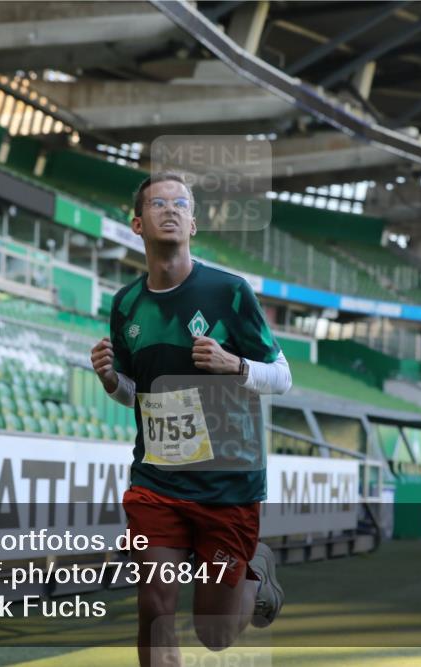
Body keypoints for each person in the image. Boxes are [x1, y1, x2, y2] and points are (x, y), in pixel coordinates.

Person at [90, 172, 293, 666]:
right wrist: (113, 382)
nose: (171, 209)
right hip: (157, 479)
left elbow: (283, 376)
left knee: (215, 634)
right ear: (138, 224)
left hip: (228, 482)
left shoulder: (230, 292)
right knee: (154, 606)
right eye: (159, 203)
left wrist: (235, 365)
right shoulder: (126, 306)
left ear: (193, 224)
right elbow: (141, 396)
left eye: (181, 203)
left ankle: (254, 570)